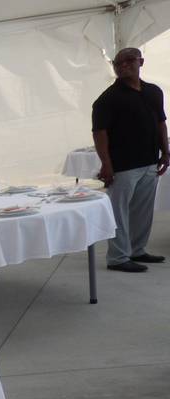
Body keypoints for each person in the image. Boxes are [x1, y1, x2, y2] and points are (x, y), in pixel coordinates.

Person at [92, 47, 169, 272]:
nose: (123, 65)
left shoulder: (154, 92)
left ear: (141, 62)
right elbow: (99, 133)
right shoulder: (107, 99)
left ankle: (137, 250)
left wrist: (165, 152)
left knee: (142, 210)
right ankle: (117, 258)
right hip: (123, 166)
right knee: (119, 212)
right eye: (118, 63)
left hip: (149, 162)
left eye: (128, 60)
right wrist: (106, 164)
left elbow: (161, 123)